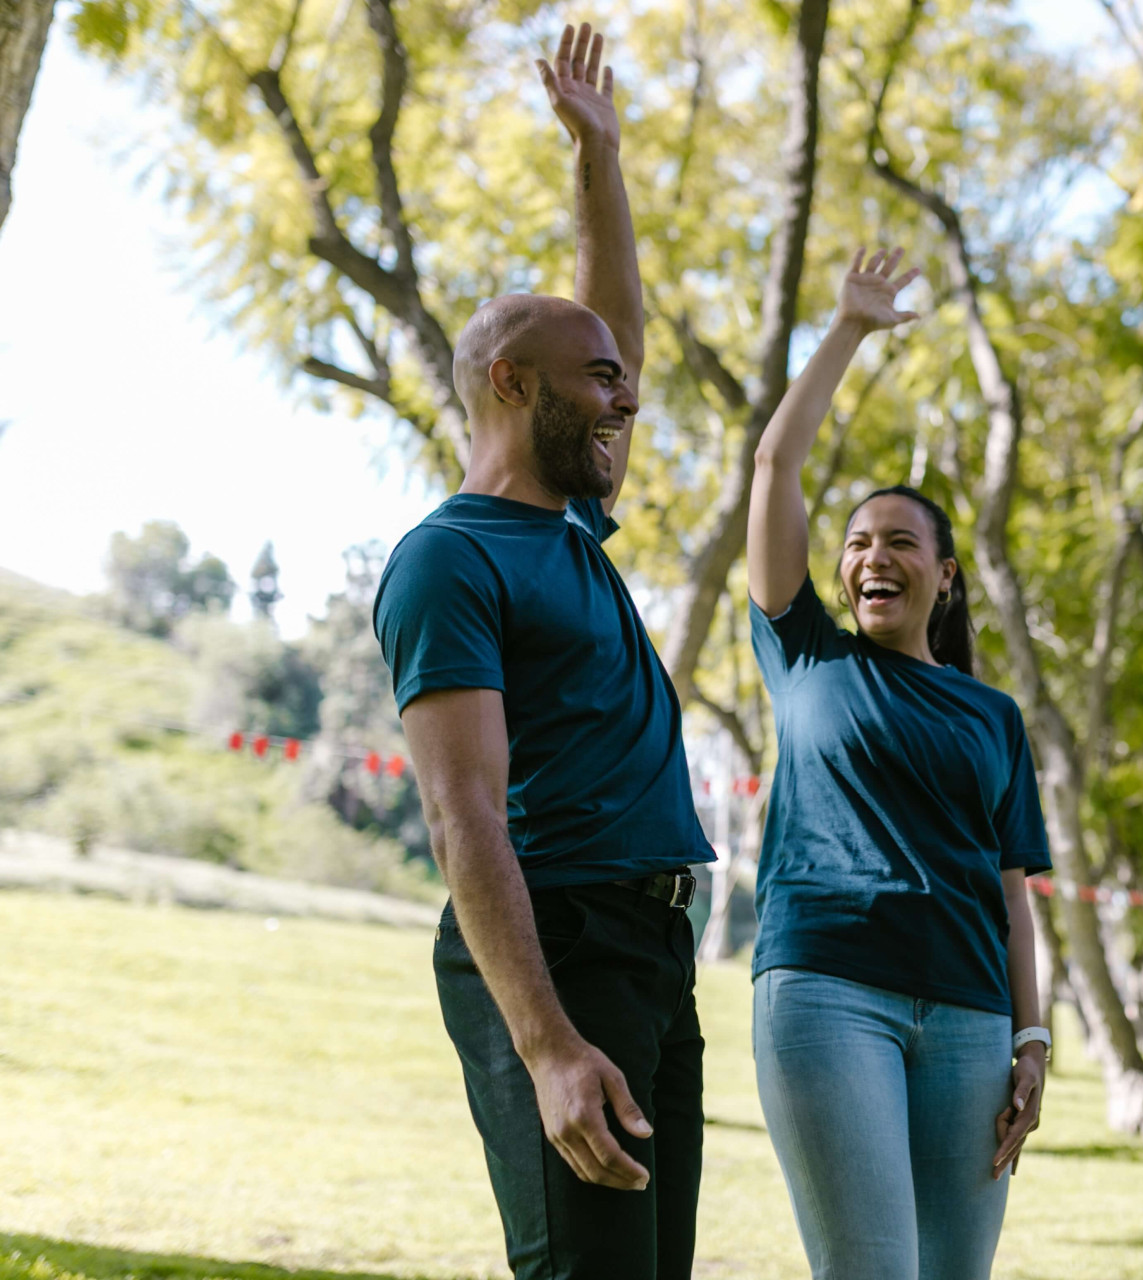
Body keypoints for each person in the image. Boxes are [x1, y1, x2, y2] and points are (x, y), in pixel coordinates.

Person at [373, 26, 713, 1280]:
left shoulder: (570, 524)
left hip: (650, 943)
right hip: (556, 943)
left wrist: (600, 155)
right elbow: (464, 813)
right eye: (602, 385)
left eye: (625, 383)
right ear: (514, 385)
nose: (626, 399)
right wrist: (550, 1043)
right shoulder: (449, 559)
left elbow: (605, 317)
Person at [742, 247, 1054, 1280]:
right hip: (830, 988)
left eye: (901, 541)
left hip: (970, 1017)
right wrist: (847, 330)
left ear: (946, 575)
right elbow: (774, 466)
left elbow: (1013, 893)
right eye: (858, 541)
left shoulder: (994, 715)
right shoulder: (806, 653)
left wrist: (1034, 1036)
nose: (875, 554)